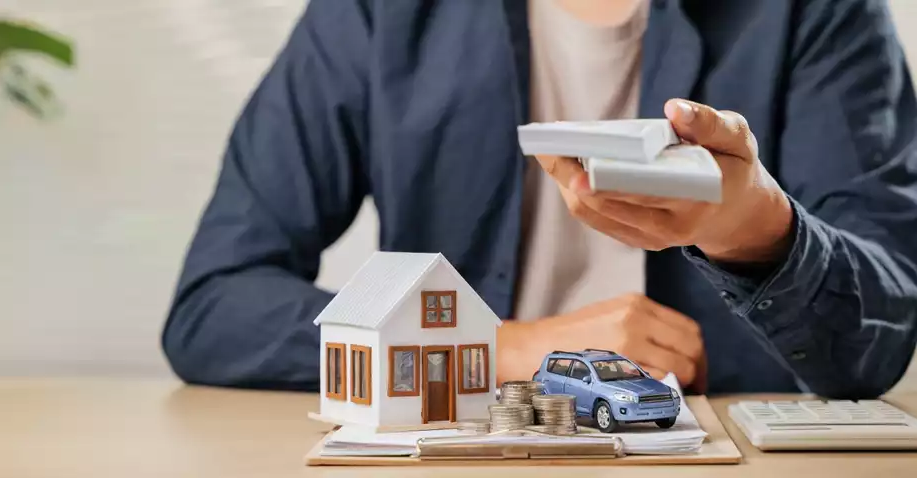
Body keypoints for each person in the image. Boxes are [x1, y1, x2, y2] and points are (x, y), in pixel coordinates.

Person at [161, 0, 917, 398]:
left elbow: (877, 343)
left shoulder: (817, 9)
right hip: (462, 443)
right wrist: (499, 350)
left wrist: (759, 230)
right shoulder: (377, 11)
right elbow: (215, 308)